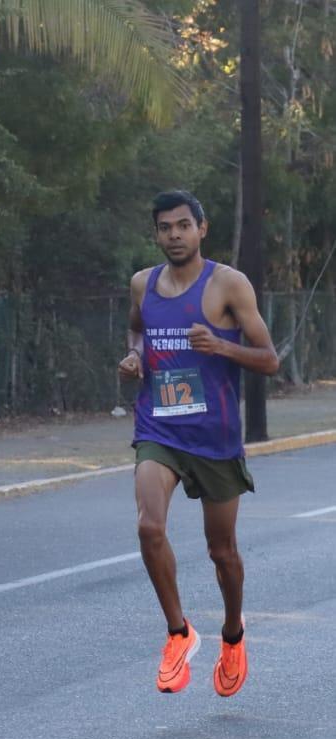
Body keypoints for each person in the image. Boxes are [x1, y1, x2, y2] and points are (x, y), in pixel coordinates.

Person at [119, 190, 279, 697]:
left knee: (222, 551)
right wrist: (134, 359)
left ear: (201, 229)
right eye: (165, 227)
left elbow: (269, 358)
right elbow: (136, 332)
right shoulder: (142, 284)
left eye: (183, 225)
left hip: (215, 437)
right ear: (156, 233)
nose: (174, 235)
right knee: (149, 527)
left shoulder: (228, 285)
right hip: (159, 429)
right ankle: (178, 632)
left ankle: (232, 634)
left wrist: (220, 346)